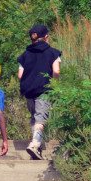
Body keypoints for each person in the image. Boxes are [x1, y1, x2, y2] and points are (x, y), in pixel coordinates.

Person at [17, 24, 62, 160]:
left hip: (29, 91)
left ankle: (36, 148)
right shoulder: (53, 53)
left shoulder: (24, 55)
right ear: (46, 37)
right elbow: (56, 71)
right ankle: (35, 145)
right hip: (44, 89)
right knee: (41, 119)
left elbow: (20, 75)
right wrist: (54, 83)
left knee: (34, 118)